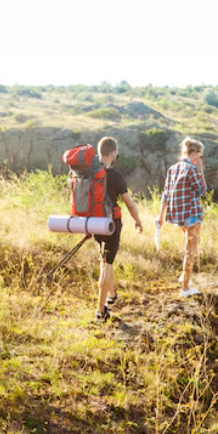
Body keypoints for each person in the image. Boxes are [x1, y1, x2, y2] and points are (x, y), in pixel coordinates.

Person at [94, 137, 142, 322]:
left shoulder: (90, 173)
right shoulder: (114, 176)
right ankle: (100, 311)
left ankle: (111, 293)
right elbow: (128, 204)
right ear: (113, 153)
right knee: (106, 264)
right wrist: (138, 220)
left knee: (106, 257)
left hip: (93, 222)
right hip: (111, 224)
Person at [157, 138, 207, 297]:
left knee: (191, 245)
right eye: (200, 155)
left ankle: (185, 277)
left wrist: (160, 216)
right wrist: (201, 170)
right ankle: (185, 287)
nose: (200, 159)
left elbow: (165, 194)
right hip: (192, 214)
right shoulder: (192, 169)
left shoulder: (173, 169)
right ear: (194, 154)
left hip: (178, 215)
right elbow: (202, 190)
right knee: (190, 250)